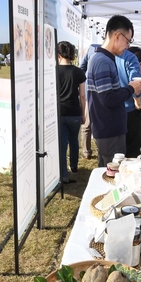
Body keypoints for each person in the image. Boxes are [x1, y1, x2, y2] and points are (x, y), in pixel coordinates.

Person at [86, 15, 141, 167]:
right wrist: (132, 88)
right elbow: (108, 98)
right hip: (109, 128)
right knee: (113, 172)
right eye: (128, 40)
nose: (127, 46)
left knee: (108, 170)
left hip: (110, 127)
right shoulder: (102, 61)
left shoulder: (104, 59)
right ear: (118, 36)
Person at [56, 41, 86, 184]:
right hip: (74, 111)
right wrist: (84, 113)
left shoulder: (53, 71)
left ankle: (63, 175)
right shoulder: (78, 71)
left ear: (58, 55)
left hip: (59, 112)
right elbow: (82, 95)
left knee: (62, 145)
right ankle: (73, 167)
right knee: (74, 141)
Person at [79, 44, 100, 159]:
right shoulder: (92, 48)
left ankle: (87, 151)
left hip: (90, 92)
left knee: (87, 124)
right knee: (89, 124)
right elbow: (81, 68)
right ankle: (88, 151)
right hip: (94, 93)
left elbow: (82, 68)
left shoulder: (92, 48)